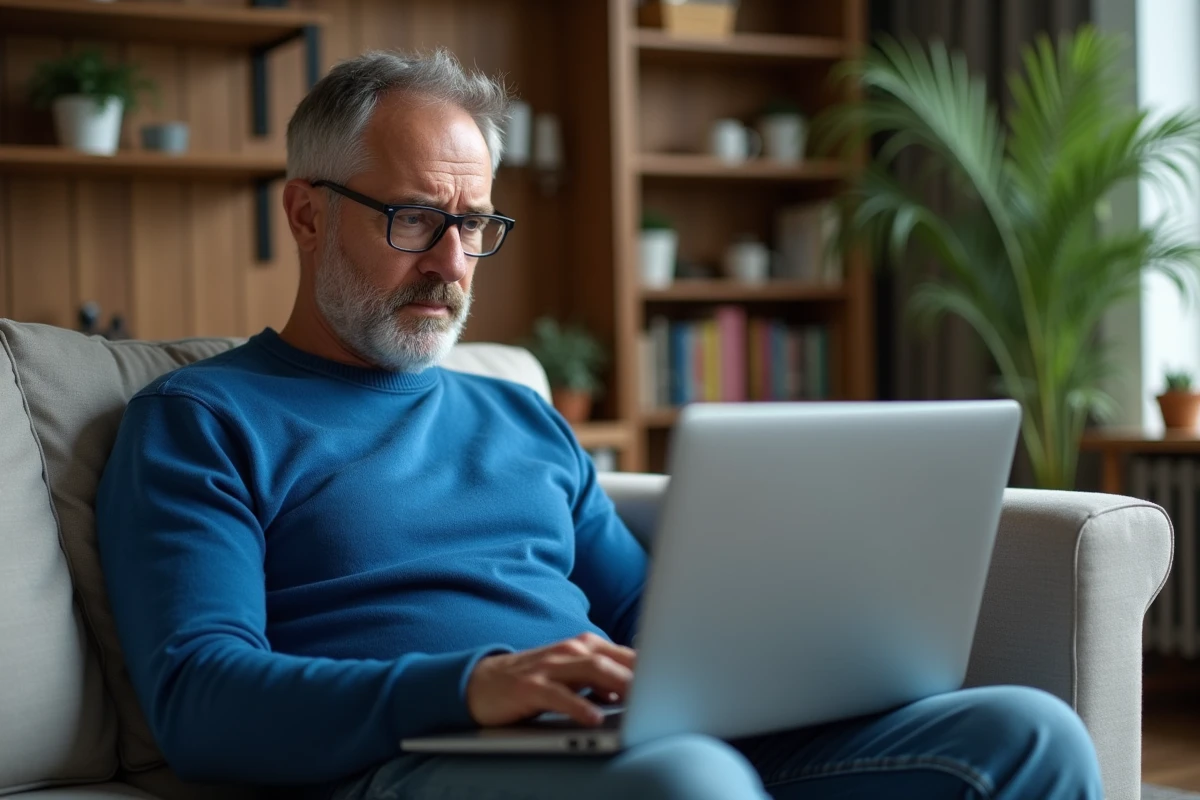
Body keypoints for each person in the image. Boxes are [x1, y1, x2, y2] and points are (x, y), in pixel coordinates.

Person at [95, 49, 1103, 800]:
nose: (452, 264)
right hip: (409, 759)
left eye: (475, 224)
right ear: (307, 213)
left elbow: (648, 622)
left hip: (610, 743)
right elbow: (202, 696)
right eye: (414, 219)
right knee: (691, 781)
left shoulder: (519, 417)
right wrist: (473, 685)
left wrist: (788, 646)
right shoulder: (202, 421)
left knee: (1030, 731)